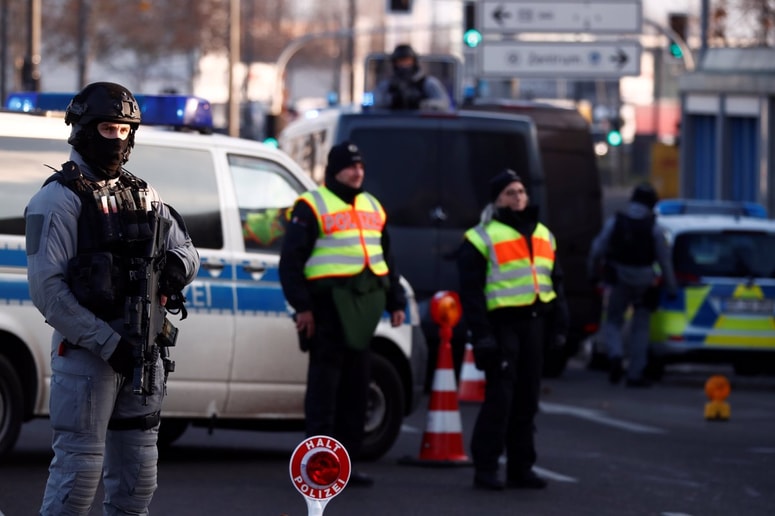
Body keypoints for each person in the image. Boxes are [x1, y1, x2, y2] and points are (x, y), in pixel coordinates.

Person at [25, 82, 200, 515]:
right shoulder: (57, 199)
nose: (118, 139)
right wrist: (108, 343)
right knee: (77, 477)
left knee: (138, 482)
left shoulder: (144, 194)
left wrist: (177, 267)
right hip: (89, 355)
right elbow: (48, 292)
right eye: (108, 128)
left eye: (125, 130)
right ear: (84, 129)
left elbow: (188, 248)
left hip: (142, 353)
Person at [278, 141, 406, 487]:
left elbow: (387, 260)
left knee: (356, 391)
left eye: (361, 165)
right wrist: (303, 307)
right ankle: (317, 466)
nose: (358, 171)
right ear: (335, 170)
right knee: (324, 393)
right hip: (327, 310)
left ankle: (345, 467)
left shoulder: (372, 206)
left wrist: (396, 301)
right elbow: (291, 262)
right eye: (351, 166)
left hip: (363, 312)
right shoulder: (311, 206)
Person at [457, 169, 567, 491]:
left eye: (520, 191)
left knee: (527, 400)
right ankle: (486, 468)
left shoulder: (544, 235)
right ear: (497, 200)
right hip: (501, 326)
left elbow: (556, 283)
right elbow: (472, 294)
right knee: (500, 399)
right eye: (509, 193)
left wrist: (560, 325)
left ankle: (521, 468)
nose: (517, 197)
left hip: (535, 324)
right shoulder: (480, 237)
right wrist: (483, 336)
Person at [587, 182, 677, 387]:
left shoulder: (616, 222)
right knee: (640, 327)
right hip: (645, 280)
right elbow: (665, 261)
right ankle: (635, 374)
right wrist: (671, 287)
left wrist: (592, 274)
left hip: (618, 278)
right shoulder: (655, 228)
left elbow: (596, 250)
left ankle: (616, 356)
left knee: (613, 321)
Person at [373, 43, 452, 111]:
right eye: (400, 61)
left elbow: (444, 104)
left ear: (414, 62)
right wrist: (393, 101)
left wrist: (421, 104)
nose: (404, 65)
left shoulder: (428, 83)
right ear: (394, 64)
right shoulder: (387, 85)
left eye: (407, 61)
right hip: (393, 124)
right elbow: (376, 104)